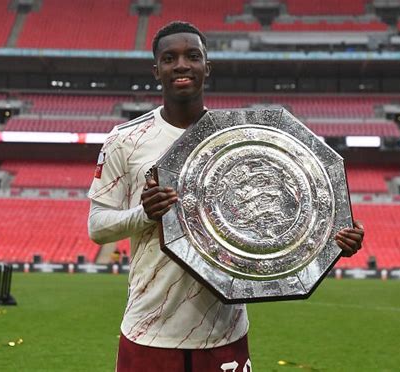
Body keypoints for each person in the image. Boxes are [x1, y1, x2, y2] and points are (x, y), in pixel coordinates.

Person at [88, 21, 364, 372]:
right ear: (156, 70)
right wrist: (144, 214)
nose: (182, 65)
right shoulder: (125, 140)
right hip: (149, 331)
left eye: (193, 56)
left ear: (207, 66)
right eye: (170, 58)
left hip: (225, 332)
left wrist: (333, 238)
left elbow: (278, 220)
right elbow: (97, 227)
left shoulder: (241, 137)